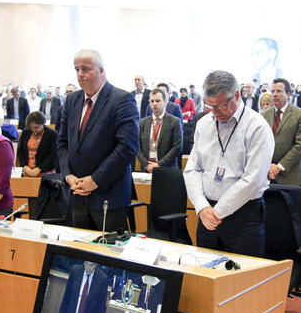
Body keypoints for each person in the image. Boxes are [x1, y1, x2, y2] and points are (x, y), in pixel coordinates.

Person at [183, 70, 274, 257]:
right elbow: (192, 169)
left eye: (222, 105)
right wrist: (201, 207)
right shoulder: (204, 124)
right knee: (205, 275)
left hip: (243, 217)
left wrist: (218, 212)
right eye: (211, 106)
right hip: (206, 214)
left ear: (237, 95)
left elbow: (253, 179)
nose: (216, 112)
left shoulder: (257, 127)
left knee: (242, 280)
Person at [56, 49, 140, 232]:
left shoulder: (122, 99)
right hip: (76, 193)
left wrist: (95, 180)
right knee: (80, 254)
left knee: (109, 256)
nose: (80, 74)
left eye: (85, 69)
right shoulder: (71, 100)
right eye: (76, 69)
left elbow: (127, 147)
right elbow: (62, 142)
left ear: (101, 70)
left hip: (108, 194)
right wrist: (68, 176)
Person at [260, 78, 301, 185]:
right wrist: (269, 165)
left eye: (279, 91)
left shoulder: (300, 115)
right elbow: (259, 144)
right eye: (272, 91)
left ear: (289, 94)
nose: (275, 94)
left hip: (290, 175)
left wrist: (279, 167)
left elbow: (300, 146)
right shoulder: (263, 115)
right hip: (266, 174)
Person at [137, 89, 182, 172]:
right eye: (152, 101)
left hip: (167, 169)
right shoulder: (142, 123)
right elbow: (137, 146)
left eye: (157, 101)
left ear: (165, 101)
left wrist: (159, 164)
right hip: (146, 169)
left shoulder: (175, 122)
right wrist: (147, 165)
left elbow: (177, 147)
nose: (154, 104)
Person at [17, 111, 58, 178]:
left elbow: (53, 155)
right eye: (31, 127)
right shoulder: (26, 132)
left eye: (36, 127)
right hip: (28, 171)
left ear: (43, 124)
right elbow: (20, 151)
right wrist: (25, 167)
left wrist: (39, 168)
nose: (33, 130)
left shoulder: (52, 134)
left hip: (45, 172)